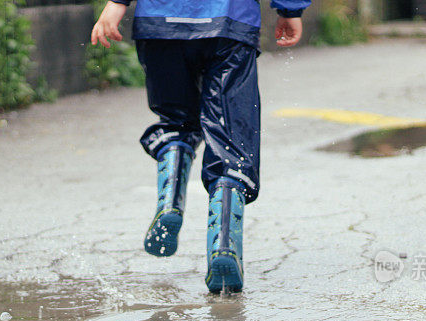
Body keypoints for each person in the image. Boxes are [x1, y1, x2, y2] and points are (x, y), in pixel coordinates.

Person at [91, 0, 310, 293]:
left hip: (160, 23)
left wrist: (117, 3)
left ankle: (169, 201)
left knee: (175, 121)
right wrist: (289, 9)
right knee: (231, 137)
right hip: (229, 22)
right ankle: (223, 247)